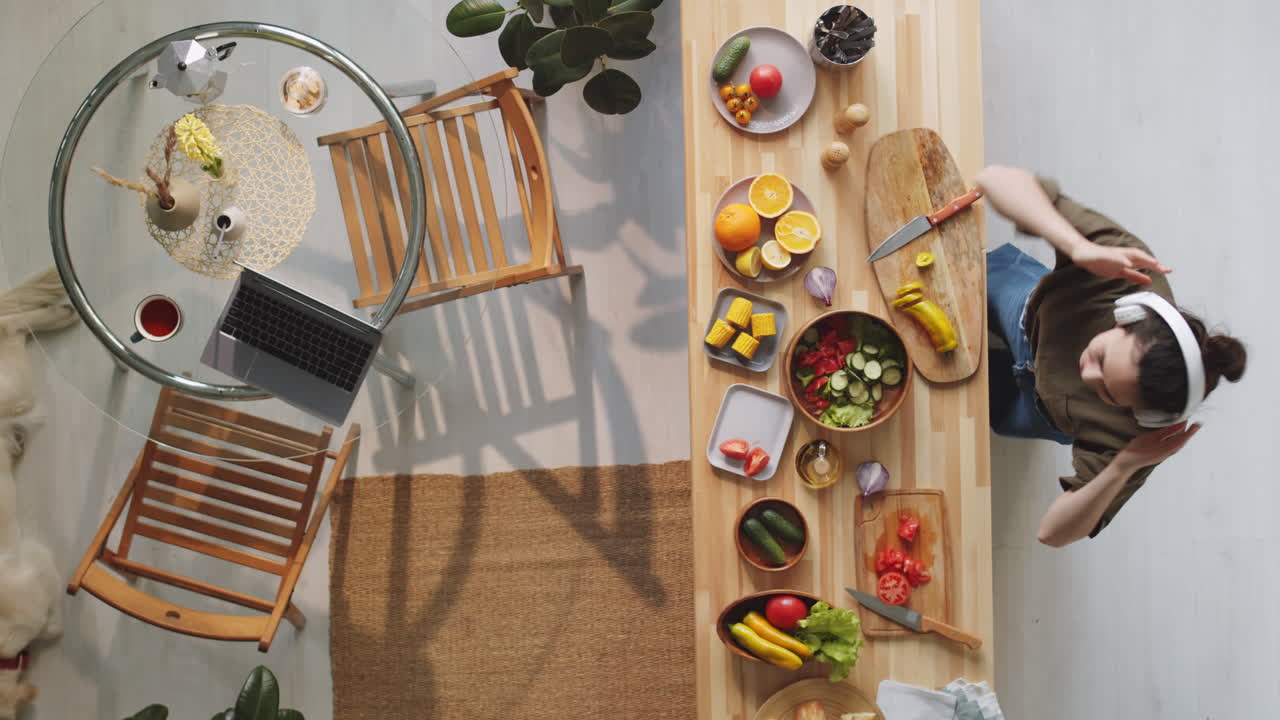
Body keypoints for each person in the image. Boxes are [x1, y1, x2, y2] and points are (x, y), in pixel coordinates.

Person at [975, 166, 1247, 547]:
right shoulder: (1128, 274)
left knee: (952, 403)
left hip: (1038, 408)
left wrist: (1125, 465)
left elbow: (1051, 533)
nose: (1087, 375)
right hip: (1026, 311)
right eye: (1102, 357)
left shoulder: (1143, 434)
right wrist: (1076, 246)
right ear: (1128, 315)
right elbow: (994, 179)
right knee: (953, 278)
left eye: (1108, 394)